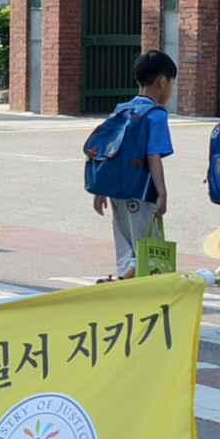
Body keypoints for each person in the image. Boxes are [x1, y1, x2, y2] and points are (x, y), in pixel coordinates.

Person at [93, 51, 176, 279]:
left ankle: (122, 284)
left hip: (116, 192)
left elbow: (108, 151)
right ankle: (117, 283)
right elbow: (153, 156)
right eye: (172, 83)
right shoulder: (156, 115)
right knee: (148, 246)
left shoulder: (121, 109)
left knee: (125, 245)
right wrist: (162, 193)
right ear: (162, 81)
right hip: (141, 192)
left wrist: (101, 189)